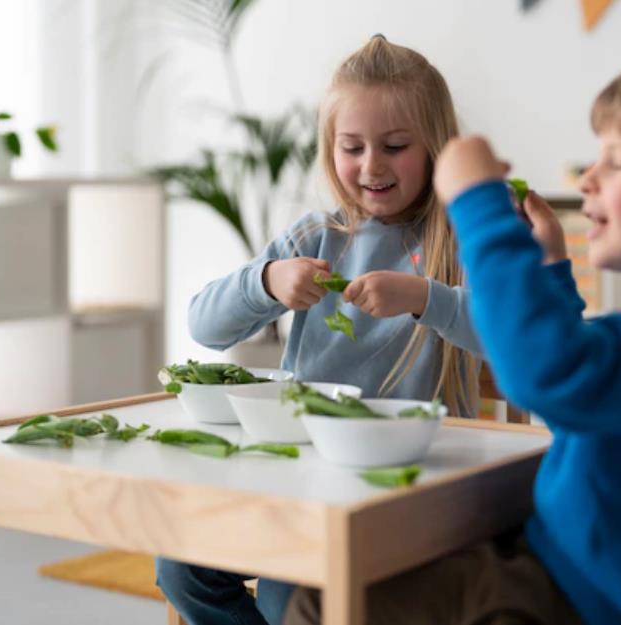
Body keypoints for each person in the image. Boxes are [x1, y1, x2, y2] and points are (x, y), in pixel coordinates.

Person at [284, 52, 621, 625]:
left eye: (615, 162)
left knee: (333, 603)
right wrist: (545, 272)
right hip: (557, 570)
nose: (588, 178)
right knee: (331, 595)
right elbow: (588, 389)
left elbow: (548, 375)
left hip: (599, 605)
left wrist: (478, 206)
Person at [158, 35, 486, 625]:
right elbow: (202, 326)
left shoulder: (459, 243)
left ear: (436, 147)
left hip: (404, 494)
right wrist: (266, 281)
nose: (371, 166)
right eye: (351, 147)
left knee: (293, 598)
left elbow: (514, 339)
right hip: (298, 479)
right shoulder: (317, 238)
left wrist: (425, 298)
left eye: (395, 146)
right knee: (180, 567)